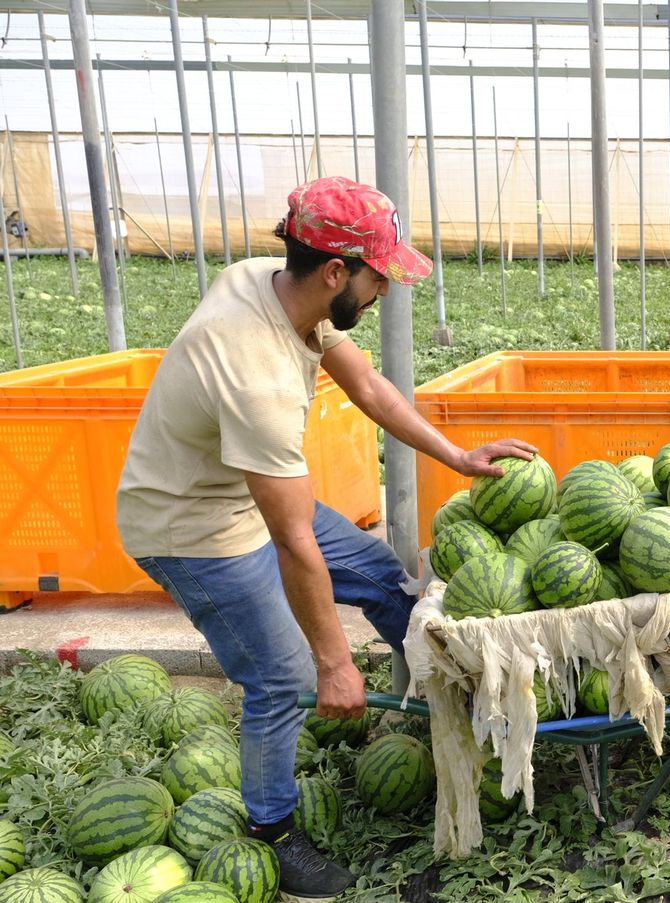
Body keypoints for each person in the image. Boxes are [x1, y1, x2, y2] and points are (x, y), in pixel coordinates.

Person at [116, 177, 535, 896]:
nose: (384, 292)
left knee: (378, 574)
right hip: (192, 526)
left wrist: (457, 455)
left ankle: (461, 712)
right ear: (337, 272)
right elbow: (292, 541)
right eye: (378, 277)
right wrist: (335, 661)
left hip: (246, 497)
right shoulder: (255, 374)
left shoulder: (281, 287)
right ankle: (273, 835)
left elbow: (367, 387)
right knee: (282, 677)